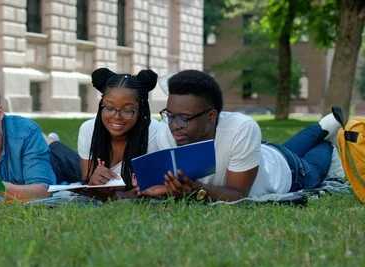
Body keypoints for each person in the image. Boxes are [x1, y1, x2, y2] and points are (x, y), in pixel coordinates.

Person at [139, 69, 343, 202]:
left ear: (211, 116)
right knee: (291, 147)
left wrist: (197, 189)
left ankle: (329, 139)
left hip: (291, 172)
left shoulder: (241, 128)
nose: (174, 125)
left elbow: (238, 194)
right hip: (263, 154)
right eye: (170, 115)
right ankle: (326, 124)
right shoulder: (166, 130)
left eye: (184, 118)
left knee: (317, 161)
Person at [78, 67, 159, 199]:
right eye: (109, 108)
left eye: (127, 110)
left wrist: (116, 196)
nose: (117, 116)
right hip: (70, 164)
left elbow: (151, 188)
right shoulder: (88, 129)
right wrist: (93, 182)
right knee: (57, 156)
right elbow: (87, 184)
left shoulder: (153, 131)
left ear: (140, 110)